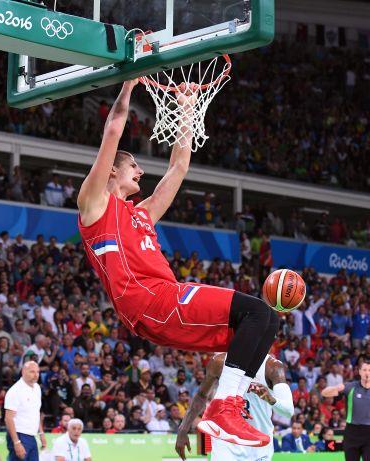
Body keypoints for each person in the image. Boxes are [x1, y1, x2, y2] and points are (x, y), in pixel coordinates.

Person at [77, 79, 280, 447]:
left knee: (267, 320)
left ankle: (229, 407)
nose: (140, 171)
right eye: (133, 165)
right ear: (112, 171)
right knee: (255, 312)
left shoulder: (141, 214)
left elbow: (179, 166)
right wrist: (128, 85)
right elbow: (113, 129)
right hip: (151, 301)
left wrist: (186, 108)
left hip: (162, 302)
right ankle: (223, 408)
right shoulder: (95, 205)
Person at [175, 352, 294, 461]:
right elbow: (201, 395)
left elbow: (288, 411)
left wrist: (271, 399)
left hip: (258, 445)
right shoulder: (219, 361)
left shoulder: (272, 366)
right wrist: (183, 429)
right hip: (225, 443)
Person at [322, 357, 370, 461]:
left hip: (369, 433)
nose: (367, 373)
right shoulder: (350, 387)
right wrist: (335, 388)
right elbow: (324, 393)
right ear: (360, 372)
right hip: (351, 432)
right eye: (364, 370)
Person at [4, 361, 46, 461]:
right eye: (32, 372)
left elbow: (36, 413)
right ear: (23, 371)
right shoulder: (15, 391)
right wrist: (16, 442)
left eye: (38, 372)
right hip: (19, 434)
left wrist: (41, 433)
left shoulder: (37, 388)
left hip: (32, 435)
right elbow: (8, 418)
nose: (36, 375)